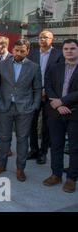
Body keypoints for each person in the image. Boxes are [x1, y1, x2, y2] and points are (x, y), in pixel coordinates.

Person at [0, 39, 42, 182]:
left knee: (22, 139)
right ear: (12, 50)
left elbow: (37, 89)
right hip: (4, 108)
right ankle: (1, 164)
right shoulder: (2, 65)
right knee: (4, 138)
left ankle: (20, 168)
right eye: (17, 50)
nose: (19, 53)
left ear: (28, 51)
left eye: (22, 51)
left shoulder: (34, 67)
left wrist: (34, 106)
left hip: (25, 109)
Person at [43, 39, 78, 193]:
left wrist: (62, 102)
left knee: (75, 148)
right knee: (56, 145)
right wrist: (57, 104)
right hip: (55, 113)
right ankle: (56, 174)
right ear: (62, 51)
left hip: (74, 113)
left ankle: (71, 178)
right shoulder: (55, 67)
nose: (69, 51)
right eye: (66, 49)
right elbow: (48, 85)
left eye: (72, 48)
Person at [27, 30, 64, 165]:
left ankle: (43, 152)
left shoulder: (59, 55)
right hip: (33, 93)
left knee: (46, 126)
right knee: (32, 123)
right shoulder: (32, 54)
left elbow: (59, 77)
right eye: (41, 37)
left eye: (46, 37)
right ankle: (34, 149)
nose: (43, 39)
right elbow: (28, 74)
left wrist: (46, 91)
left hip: (51, 95)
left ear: (52, 39)